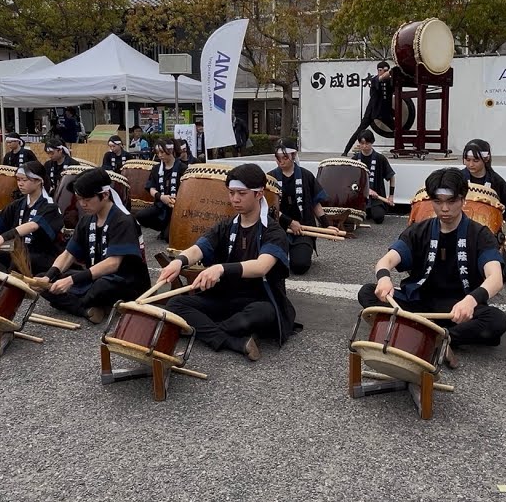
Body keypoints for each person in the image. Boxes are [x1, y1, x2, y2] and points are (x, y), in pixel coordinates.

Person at [357, 168, 506, 368]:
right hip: (419, 300)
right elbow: (386, 261)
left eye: (451, 201)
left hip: (457, 307)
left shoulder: (479, 234)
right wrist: (384, 279)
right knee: (367, 292)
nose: (444, 208)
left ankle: (438, 337)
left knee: (496, 320)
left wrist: (471, 301)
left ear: (463, 200)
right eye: (438, 202)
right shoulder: (420, 230)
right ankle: (436, 335)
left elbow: (495, 279)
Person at [156, 163, 297, 361]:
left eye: (241, 193)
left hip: (256, 299)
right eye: (231, 193)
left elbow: (261, 266)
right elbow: (200, 248)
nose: (234, 199)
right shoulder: (226, 226)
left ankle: (203, 330)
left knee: (263, 313)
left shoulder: (273, 231)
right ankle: (232, 341)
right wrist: (178, 262)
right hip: (223, 297)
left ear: (259, 194)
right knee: (176, 304)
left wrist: (221, 268)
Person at [39, 168, 150, 323]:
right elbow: (68, 254)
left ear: (104, 195)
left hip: (124, 282)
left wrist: (71, 281)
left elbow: (113, 264)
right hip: (94, 277)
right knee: (43, 280)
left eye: (87, 199)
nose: (82, 204)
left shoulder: (123, 221)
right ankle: (87, 308)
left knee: (100, 287)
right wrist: (49, 276)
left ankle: (81, 305)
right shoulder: (86, 220)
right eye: (79, 199)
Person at [267, 138, 329, 275]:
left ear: (294, 155)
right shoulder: (270, 178)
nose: (281, 162)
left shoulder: (306, 175)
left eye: (285, 158)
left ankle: (299, 251)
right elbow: (270, 208)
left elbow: (315, 203)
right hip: (279, 230)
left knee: (300, 266)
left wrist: (327, 225)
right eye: (278, 158)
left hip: (303, 229)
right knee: (273, 267)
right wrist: (289, 223)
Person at [133, 139, 186, 241]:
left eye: (162, 152)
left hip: (175, 208)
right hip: (160, 205)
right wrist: (161, 197)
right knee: (140, 216)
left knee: (167, 238)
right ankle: (163, 227)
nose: (160, 155)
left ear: (170, 151)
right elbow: (151, 188)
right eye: (158, 153)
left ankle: (168, 229)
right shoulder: (157, 168)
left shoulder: (182, 168)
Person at [342, 61, 395, 156]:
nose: (384, 72)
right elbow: (382, 78)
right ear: (379, 71)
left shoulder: (390, 81)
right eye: (383, 70)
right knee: (359, 131)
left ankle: (404, 147)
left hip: (384, 112)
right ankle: (345, 151)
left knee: (396, 130)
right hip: (372, 111)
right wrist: (392, 71)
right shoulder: (375, 80)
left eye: (386, 70)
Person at [350, 129, 395, 223]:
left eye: (367, 143)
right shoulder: (354, 159)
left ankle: (370, 210)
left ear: (372, 142)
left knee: (378, 218)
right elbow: (350, 180)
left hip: (376, 198)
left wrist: (391, 195)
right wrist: (367, 189)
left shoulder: (380, 158)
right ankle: (366, 210)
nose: (364, 146)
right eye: (362, 143)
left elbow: (391, 176)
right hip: (360, 197)